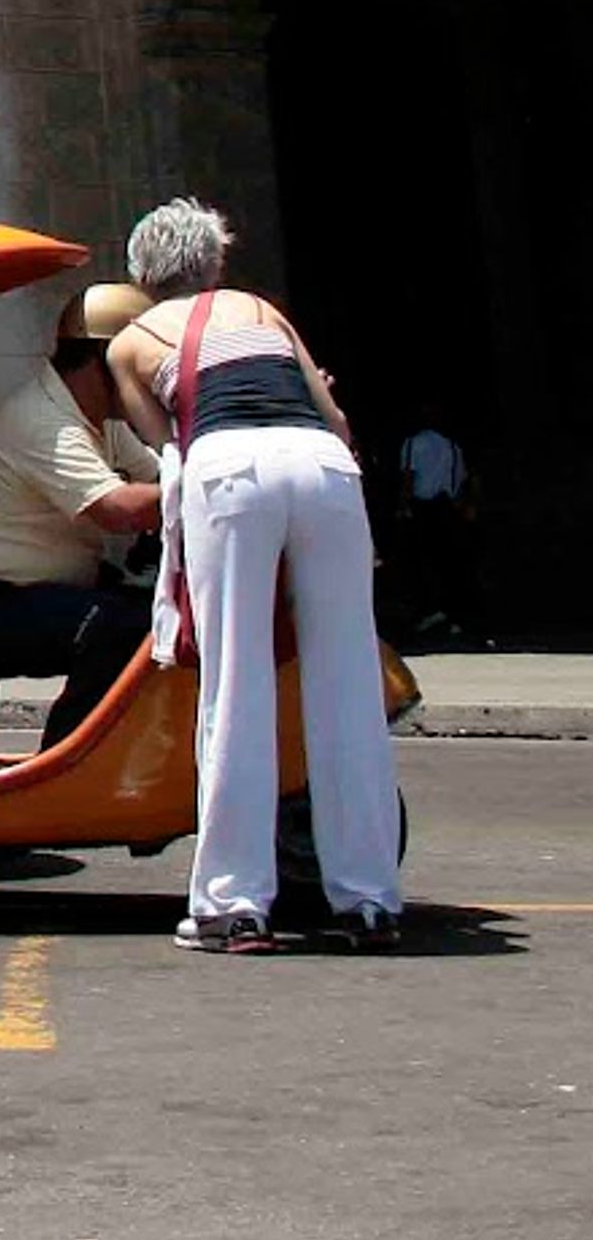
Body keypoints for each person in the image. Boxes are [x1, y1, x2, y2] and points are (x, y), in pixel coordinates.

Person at [106, 197, 403, 954]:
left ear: (144, 274)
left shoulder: (130, 341)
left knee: (234, 681)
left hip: (229, 467)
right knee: (346, 681)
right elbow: (330, 414)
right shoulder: (258, 309)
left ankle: (233, 905)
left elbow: (166, 441)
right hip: (321, 464)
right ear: (212, 262)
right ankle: (369, 899)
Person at [0, 283, 161, 746]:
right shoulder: (44, 420)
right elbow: (116, 509)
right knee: (120, 627)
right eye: (139, 366)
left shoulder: (100, 419)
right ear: (105, 361)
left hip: (21, 591)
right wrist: (209, 489)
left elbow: (157, 479)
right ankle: (69, 766)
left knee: (153, 612)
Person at [394, 402, 477, 641]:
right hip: (447, 508)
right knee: (450, 562)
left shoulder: (412, 443)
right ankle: (453, 613)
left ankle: (429, 611)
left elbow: (409, 476)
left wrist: (402, 507)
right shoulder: (453, 447)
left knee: (422, 561)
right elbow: (460, 481)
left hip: (422, 509)